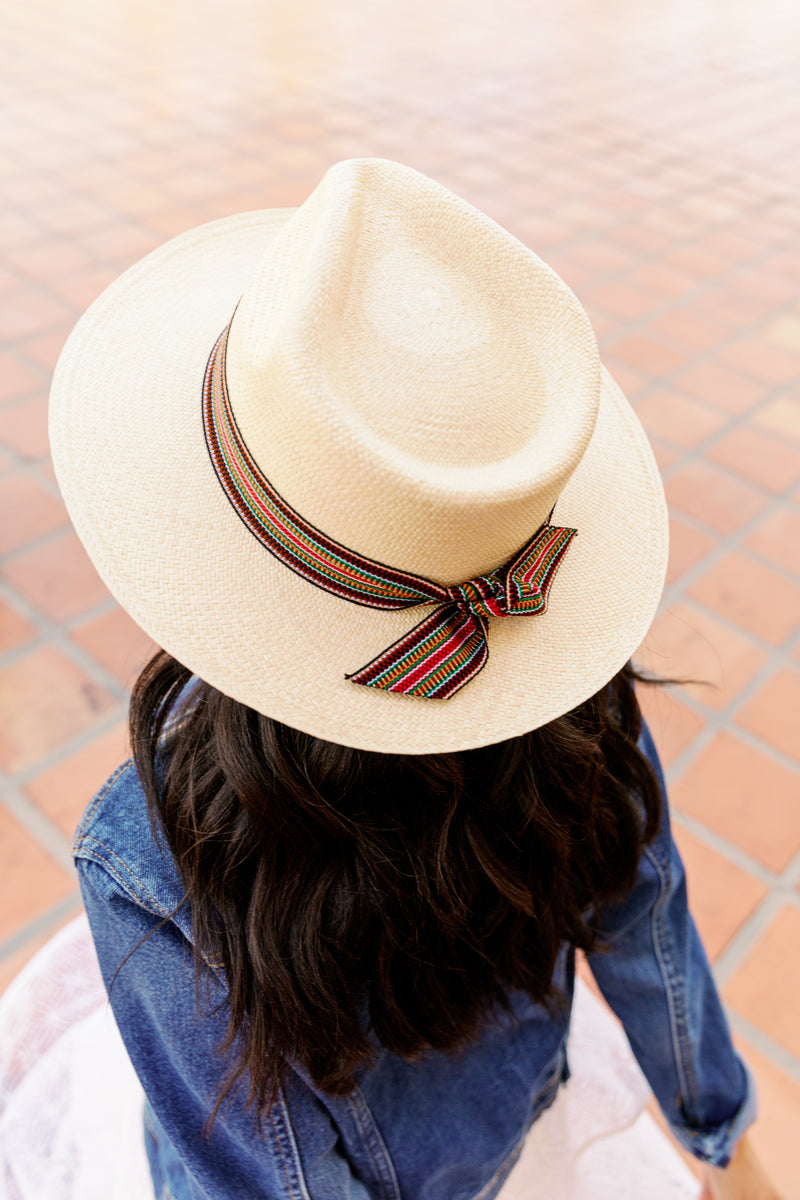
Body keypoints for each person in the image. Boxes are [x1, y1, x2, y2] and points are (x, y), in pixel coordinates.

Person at [46, 158, 780, 1200]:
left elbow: (267, 1179)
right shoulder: (584, 715)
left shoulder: (150, 856)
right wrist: (723, 1142)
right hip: (503, 1140)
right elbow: (646, 918)